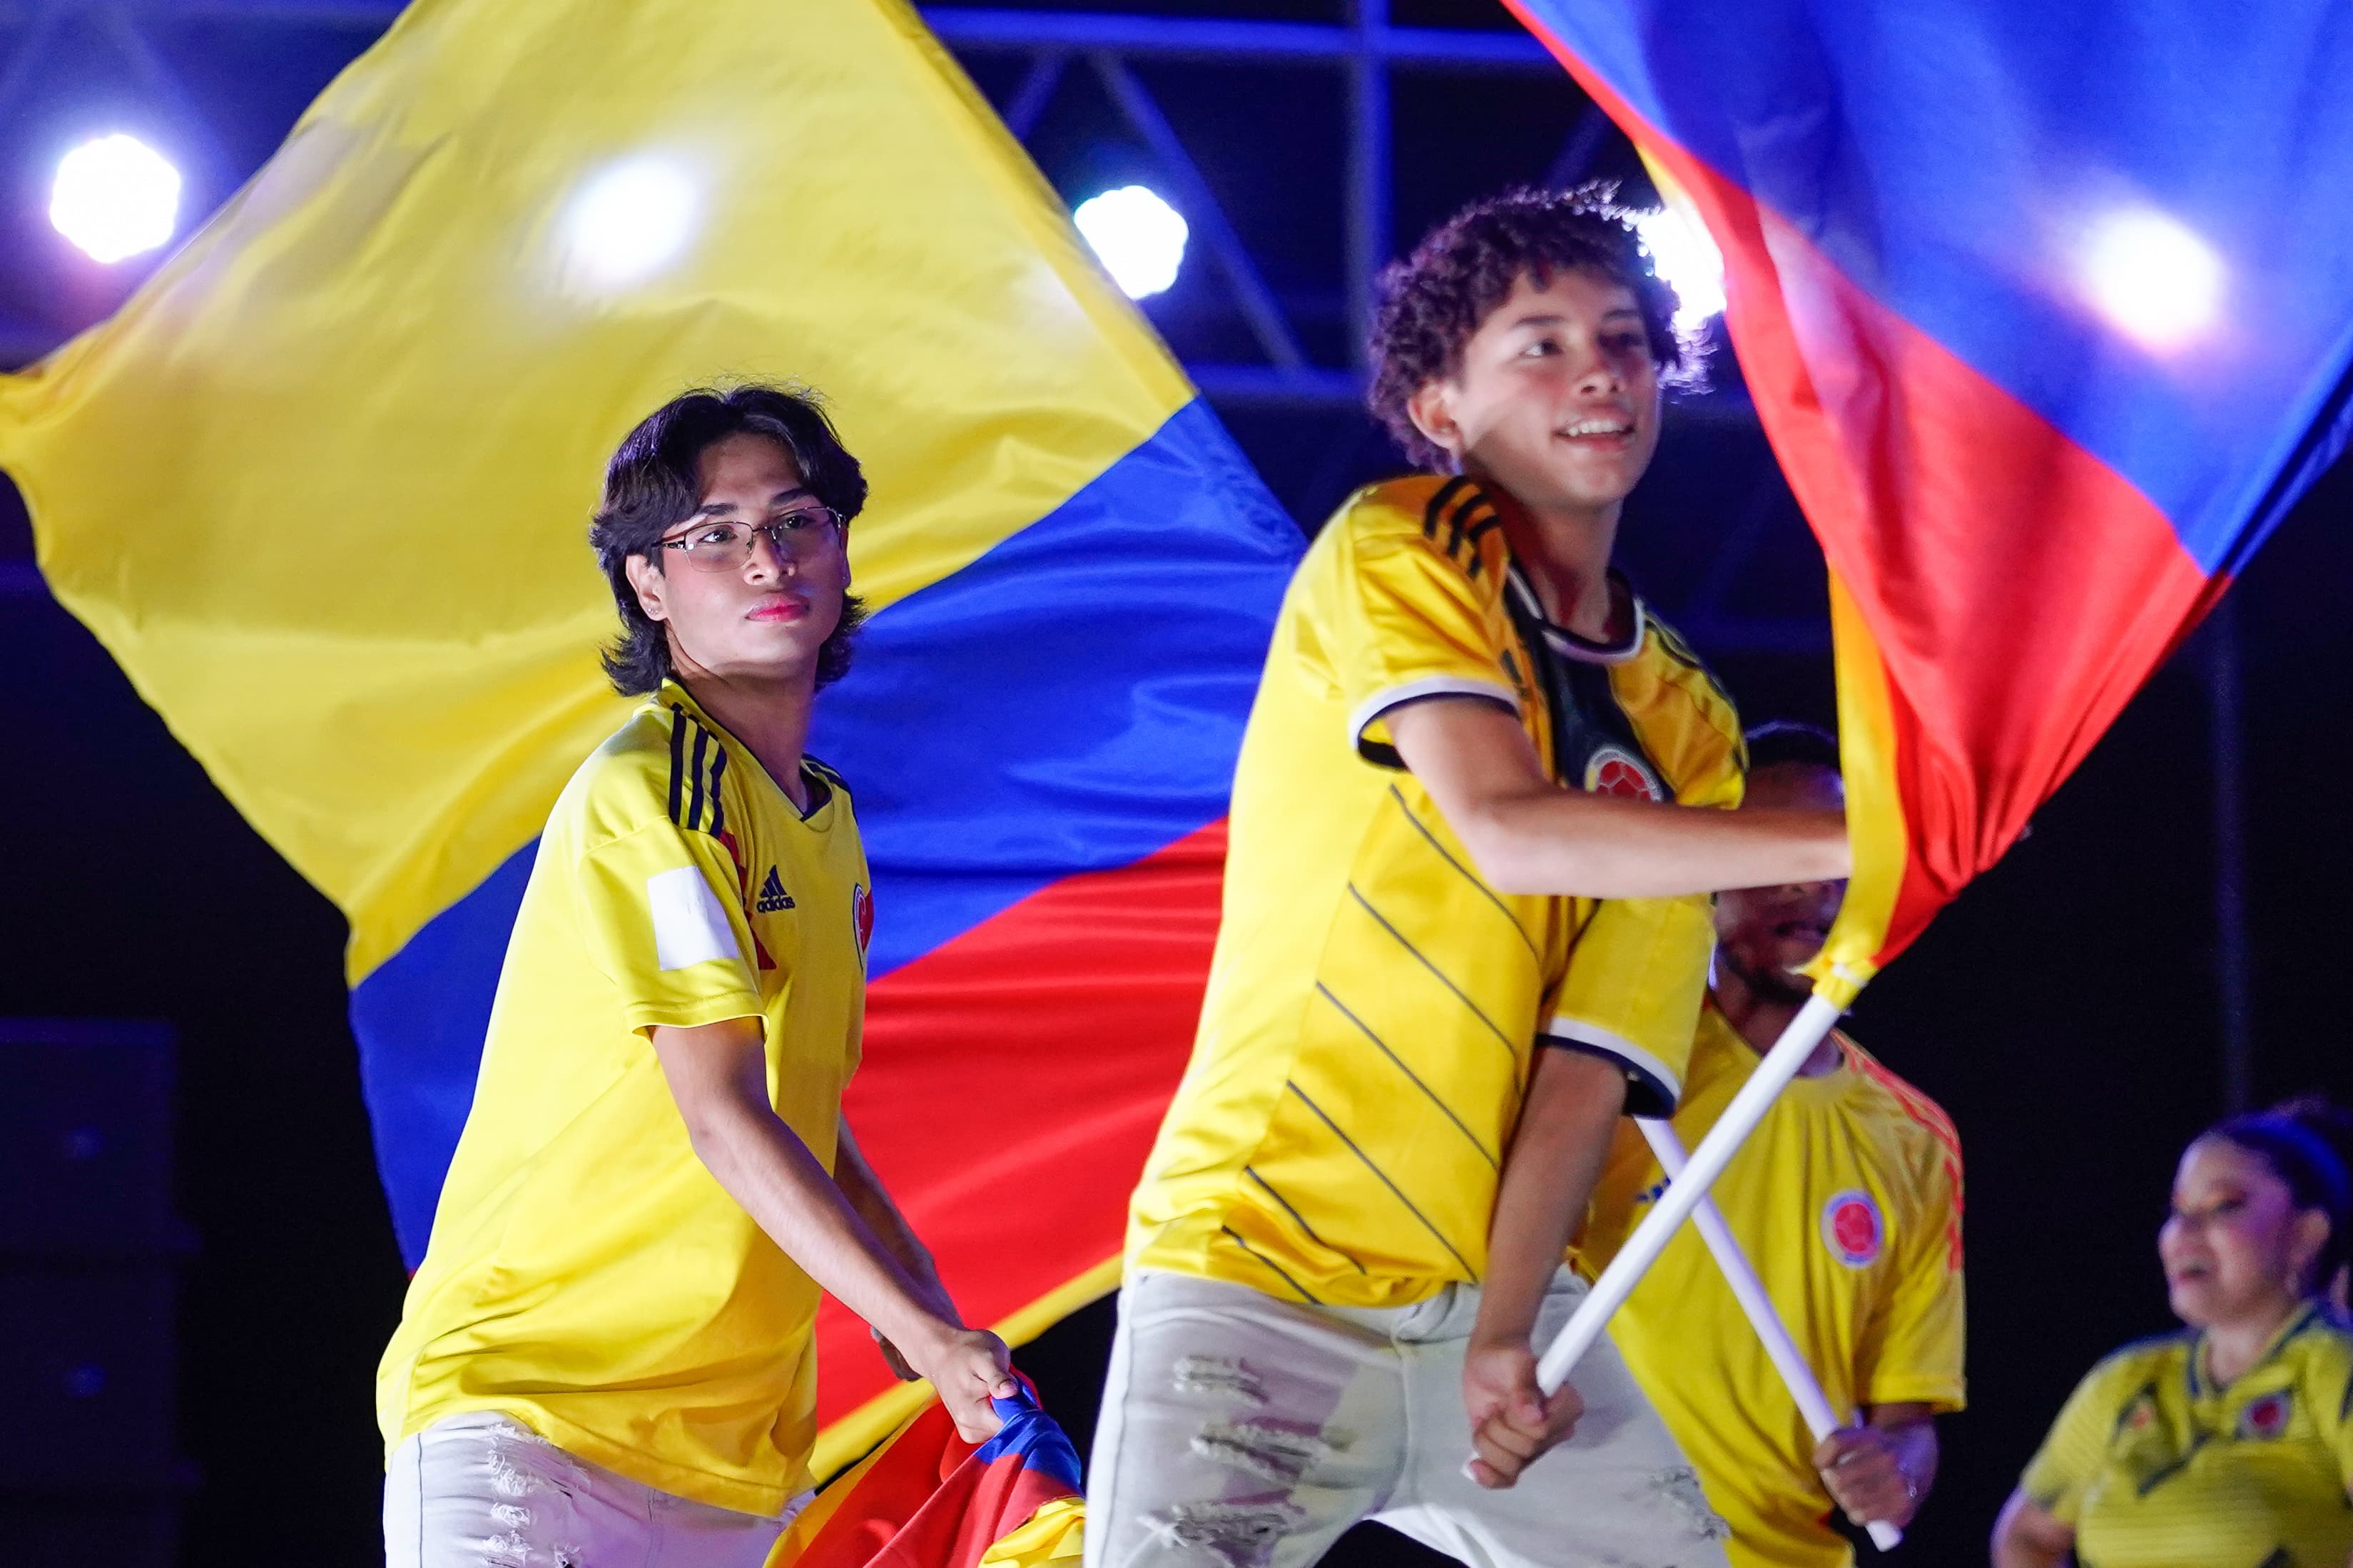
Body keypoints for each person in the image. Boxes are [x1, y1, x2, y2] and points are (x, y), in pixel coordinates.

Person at [1090, 188, 1850, 1568]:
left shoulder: (1687, 716)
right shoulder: (1403, 542)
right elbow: (1506, 823)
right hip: (1258, 1267)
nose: (1597, 371)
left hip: (1491, 1299)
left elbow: (1586, 1060)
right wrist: (1857, 844)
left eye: (1622, 339)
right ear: (1439, 405)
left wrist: (1504, 1330)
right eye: (1539, 344)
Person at [377, 385, 1015, 1567]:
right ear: (649, 584)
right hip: (532, 1423)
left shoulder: (823, 818)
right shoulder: (653, 793)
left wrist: (928, 1307)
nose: (767, 558)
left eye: (795, 520)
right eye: (713, 534)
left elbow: (803, 1115)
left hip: (735, 1470)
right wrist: (921, 1333)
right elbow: (720, 1109)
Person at [1580, 722, 1964, 1568]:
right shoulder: (1614, 1064)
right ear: (1708, 870)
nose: (1805, 879)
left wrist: (1895, 1472)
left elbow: (1907, 1418)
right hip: (1582, 1544)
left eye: (1832, 852)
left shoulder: (1916, 1138)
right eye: (1773, 843)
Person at [1991, 1099, 2353, 1568]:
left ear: (2306, 1234)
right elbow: (2025, 1537)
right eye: (2177, 1210)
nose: (2183, 1231)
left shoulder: (2332, 1365)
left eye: (2223, 1206)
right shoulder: (2129, 1380)